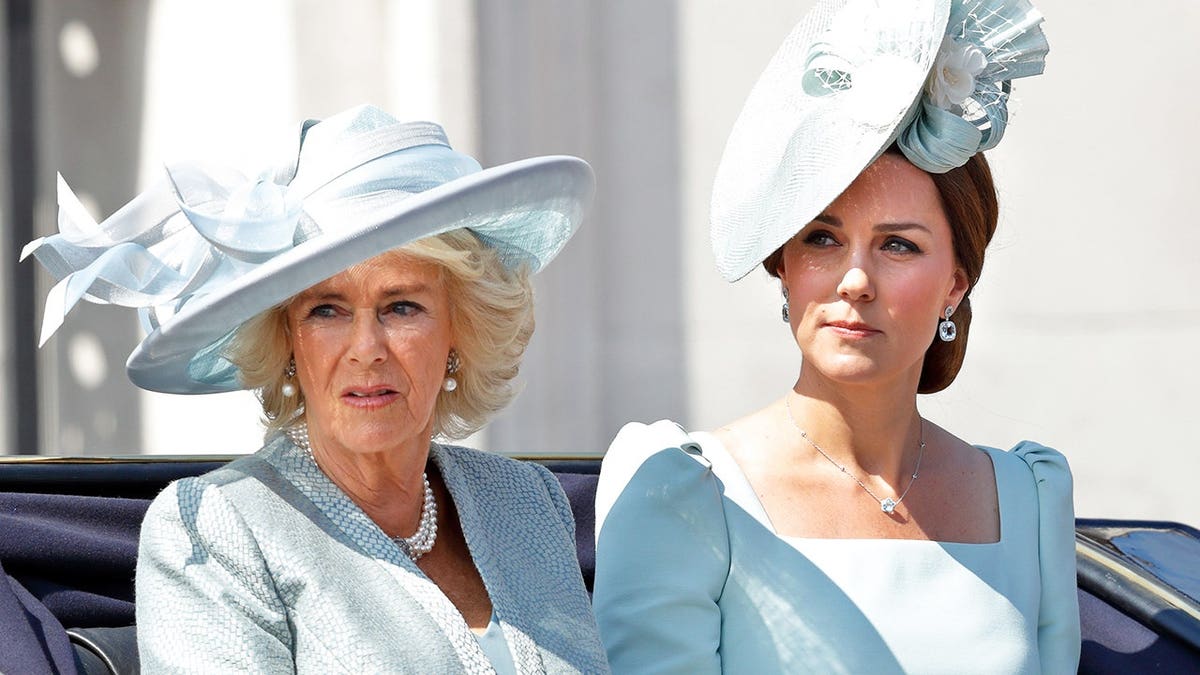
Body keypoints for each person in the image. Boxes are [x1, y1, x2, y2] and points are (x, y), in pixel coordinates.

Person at [24, 104, 609, 673]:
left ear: (460, 329)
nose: (366, 348)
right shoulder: (214, 529)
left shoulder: (528, 501)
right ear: (286, 342)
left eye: (402, 307)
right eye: (327, 310)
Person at [592, 0, 1080, 672]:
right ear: (785, 267)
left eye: (899, 245)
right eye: (822, 238)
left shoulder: (1027, 499)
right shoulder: (680, 489)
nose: (855, 279)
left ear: (955, 285)